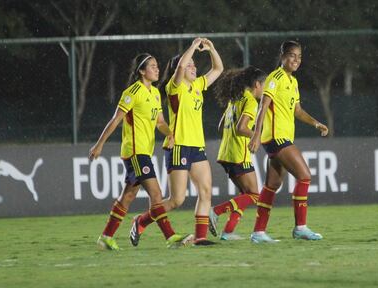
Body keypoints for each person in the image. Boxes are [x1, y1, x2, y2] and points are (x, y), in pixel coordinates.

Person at [90, 53, 190, 250]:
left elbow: (160, 122)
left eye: (157, 65)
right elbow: (115, 120)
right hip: (135, 152)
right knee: (156, 193)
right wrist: (99, 144)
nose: (157, 69)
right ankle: (170, 237)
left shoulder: (154, 93)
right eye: (152, 66)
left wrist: (170, 133)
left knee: (127, 196)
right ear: (142, 71)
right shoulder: (132, 92)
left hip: (145, 152)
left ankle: (106, 237)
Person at [129, 38, 224, 246]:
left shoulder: (198, 85)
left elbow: (218, 68)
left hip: (197, 147)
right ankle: (140, 221)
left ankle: (200, 238)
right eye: (190, 64)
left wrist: (211, 48)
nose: (193, 67)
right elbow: (181, 65)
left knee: (206, 191)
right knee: (176, 200)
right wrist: (192, 46)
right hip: (178, 147)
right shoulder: (176, 86)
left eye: (194, 65)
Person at [248, 40, 329, 243]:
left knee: (272, 184)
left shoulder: (293, 82)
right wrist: (256, 135)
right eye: (292, 55)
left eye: (299, 57)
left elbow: (297, 111)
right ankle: (300, 227)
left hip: (280, 138)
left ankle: (258, 232)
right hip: (276, 138)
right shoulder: (275, 78)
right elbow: (262, 107)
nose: (296, 60)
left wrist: (316, 123)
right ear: (283, 55)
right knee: (304, 176)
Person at [208, 66, 267, 240]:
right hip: (237, 154)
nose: (264, 91)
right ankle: (216, 211)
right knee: (255, 195)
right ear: (257, 84)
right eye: (263, 86)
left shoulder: (235, 99)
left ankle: (228, 232)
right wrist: (257, 136)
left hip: (226, 153)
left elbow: (221, 126)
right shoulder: (250, 101)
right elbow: (241, 128)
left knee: (245, 195)